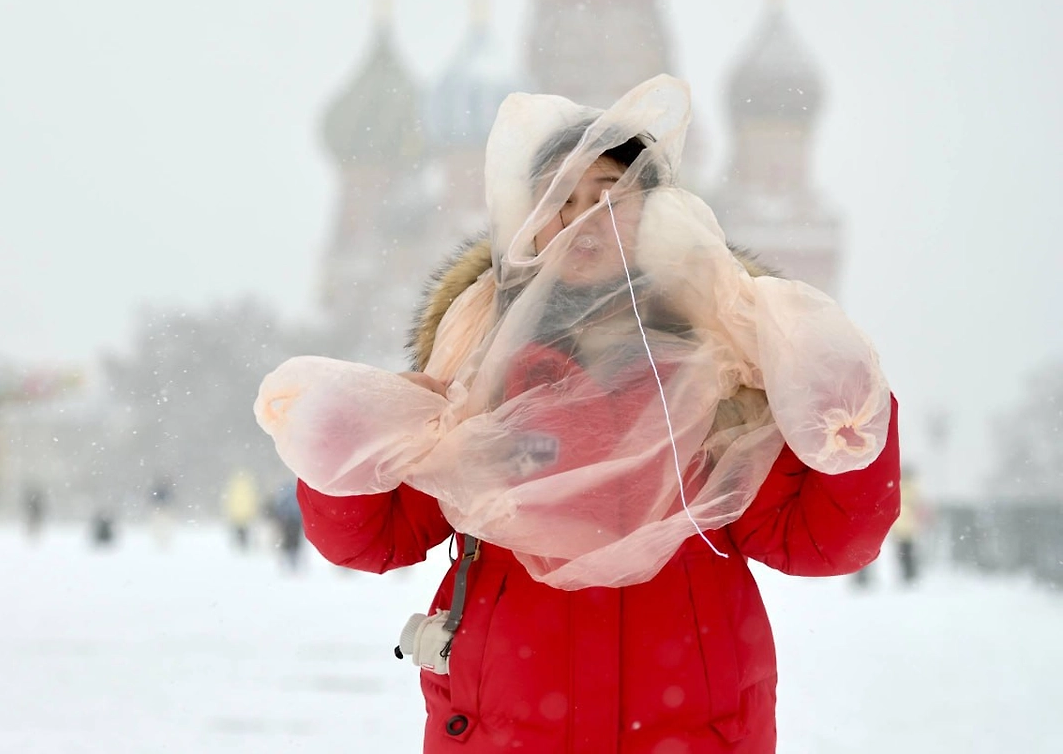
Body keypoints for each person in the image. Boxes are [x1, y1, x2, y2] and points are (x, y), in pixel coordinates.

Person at [256, 75, 900, 753]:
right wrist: (347, 431)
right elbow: (375, 536)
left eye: (611, 197)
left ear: (655, 219)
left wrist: (848, 407)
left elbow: (820, 537)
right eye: (560, 198)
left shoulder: (721, 372)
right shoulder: (477, 371)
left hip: (687, 736)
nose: (584, 217)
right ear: (529, 218)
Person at [222, 470, 259, 551]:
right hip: (246, 514)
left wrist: (230, 511)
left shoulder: (233, 487)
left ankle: (239, 544)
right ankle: (244, 545)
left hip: (236, 514)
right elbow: (252, 500)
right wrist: (252, 511)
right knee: (245, 530)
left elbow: (230, 501)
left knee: (238, 530)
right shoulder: (247, 487)